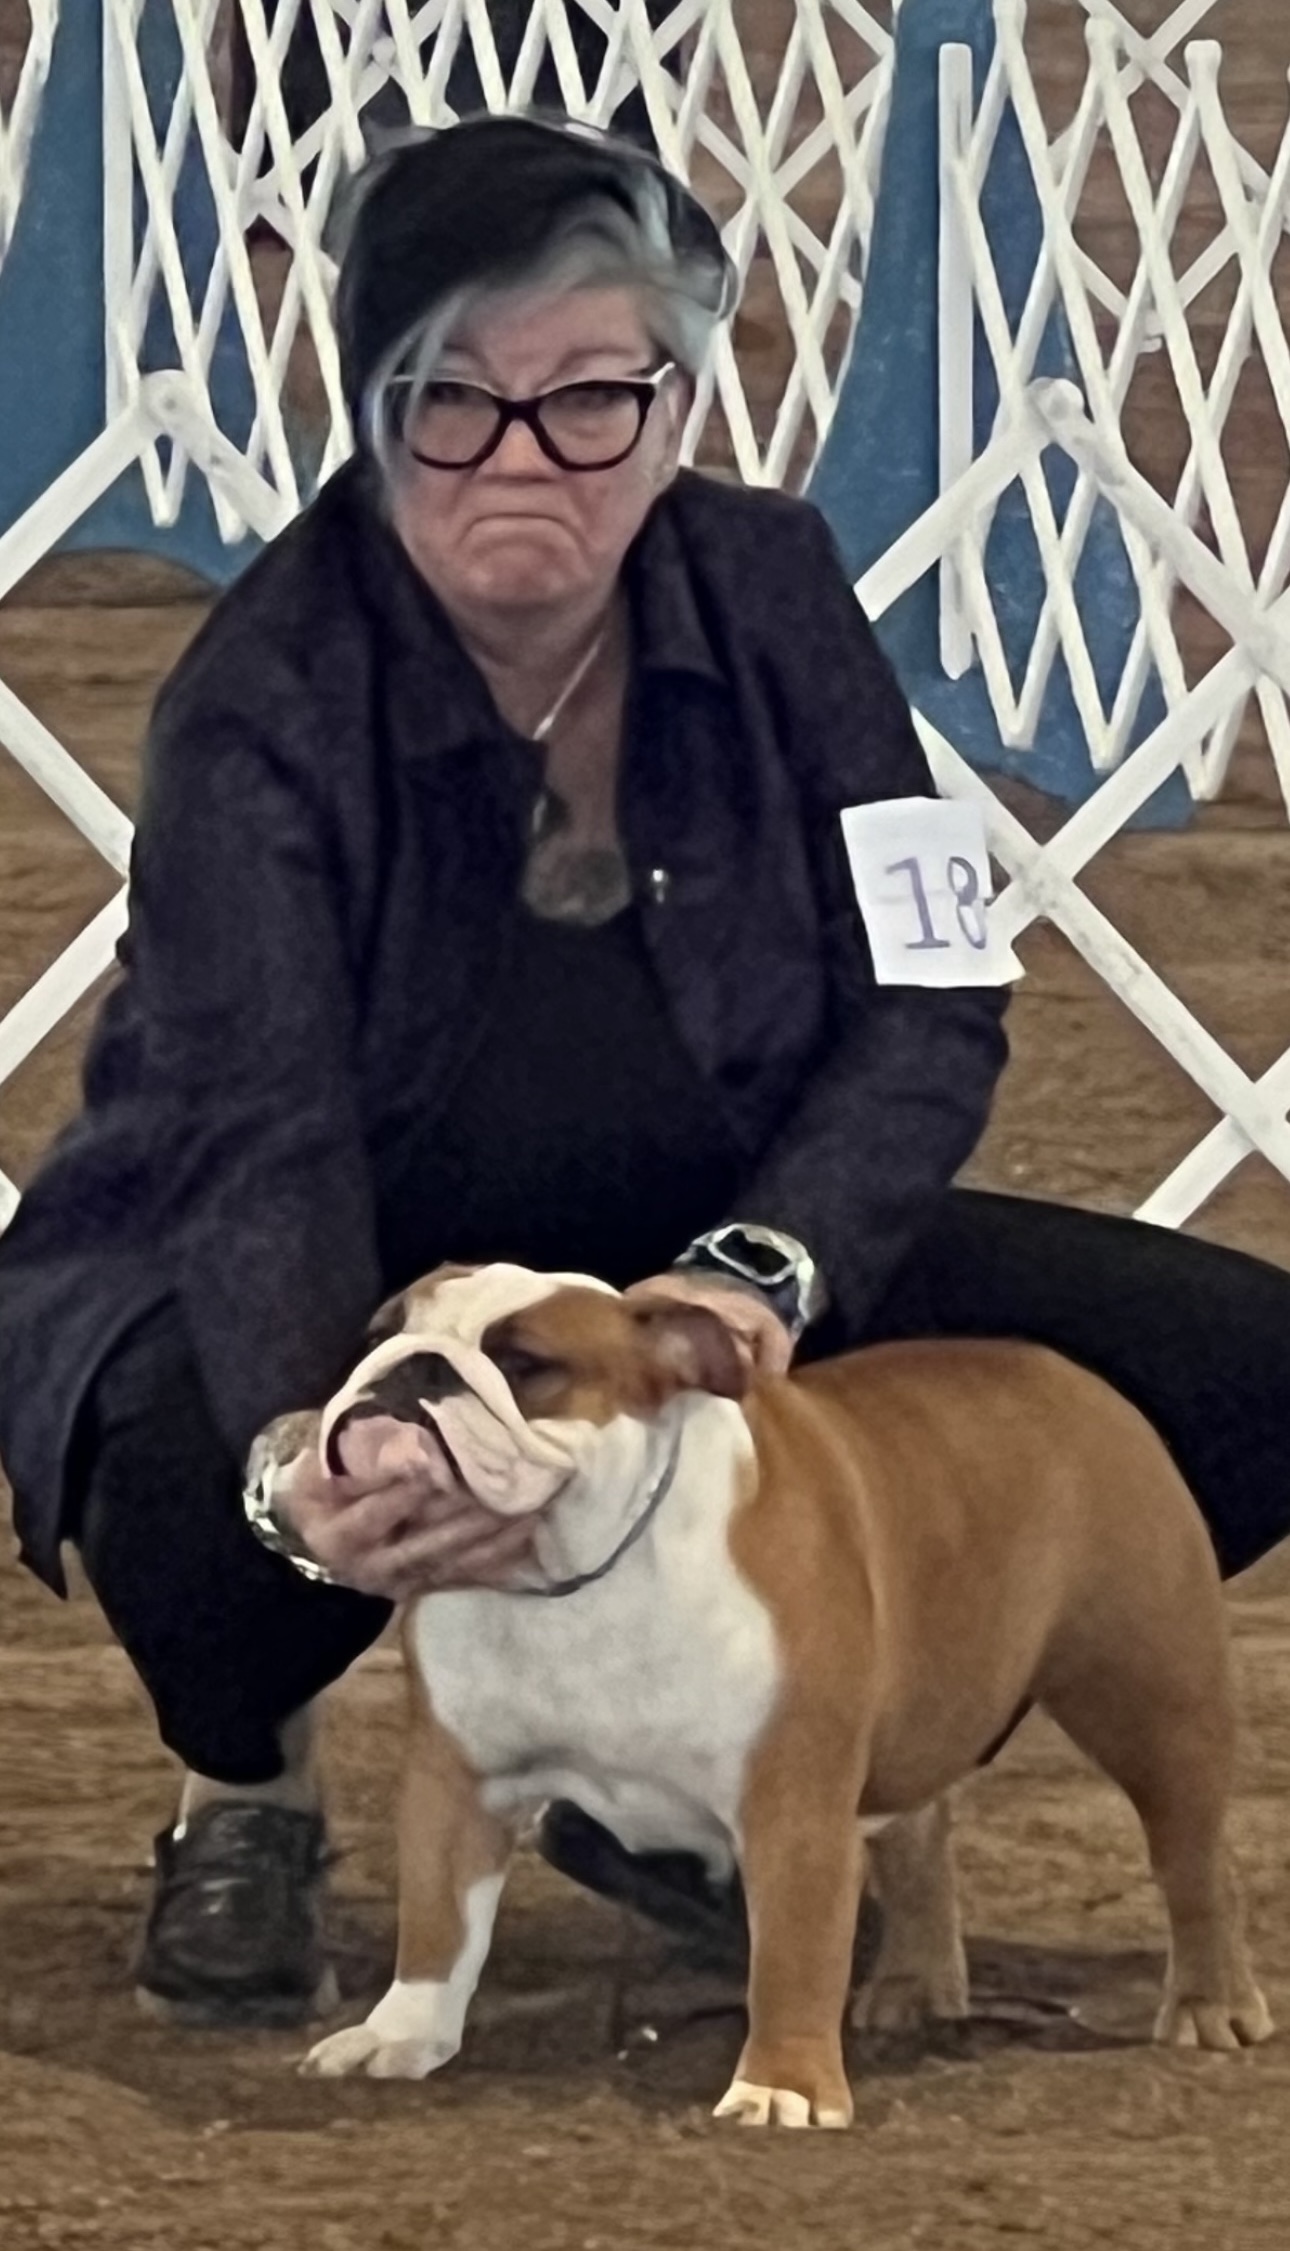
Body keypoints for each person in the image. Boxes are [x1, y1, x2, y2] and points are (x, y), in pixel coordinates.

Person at [2, 113, 1288, 2032]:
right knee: (203, 1502)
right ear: (367, 405)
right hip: (340, 1259)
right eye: (456, 399)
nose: (525, 456)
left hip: (707, 1248)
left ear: (678, 405)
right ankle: (247, 1785)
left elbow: (934, 996)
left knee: (1238, 1379)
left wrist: (774, 1263)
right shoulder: (260, 692)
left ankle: (725, 1739)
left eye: (593, 398)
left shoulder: (777, 591)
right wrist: (306, 1449)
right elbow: (249, 1123)